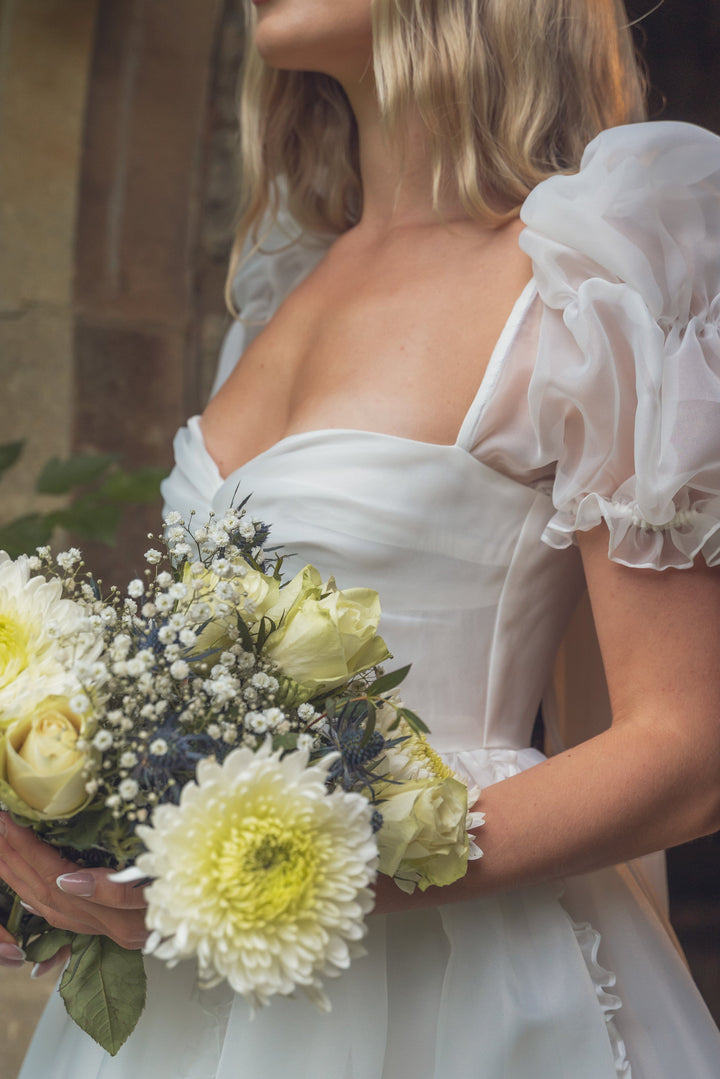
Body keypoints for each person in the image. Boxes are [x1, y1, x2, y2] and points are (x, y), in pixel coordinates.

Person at [2, 1, 720, 1075]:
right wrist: (82, 836)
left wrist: (295, 874)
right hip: (195, 999)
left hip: (456, 982)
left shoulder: (594, 266)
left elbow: (686, 748)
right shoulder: (285, 283)